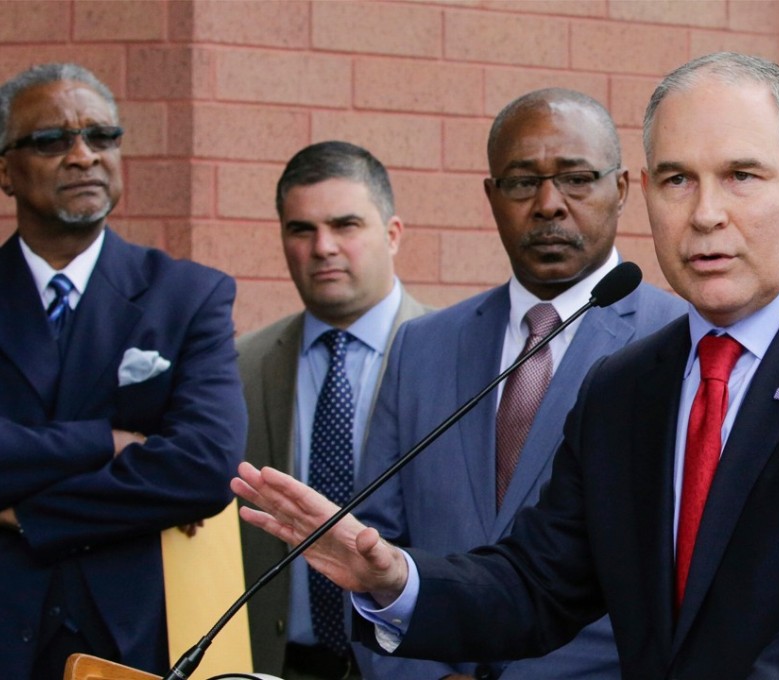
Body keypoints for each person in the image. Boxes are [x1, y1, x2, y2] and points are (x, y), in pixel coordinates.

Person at [232, 52, 779, 680]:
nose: (706, 213)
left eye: (742, 176)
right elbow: (534, 583)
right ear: (646, 194)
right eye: (678, 180)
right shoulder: (628, 385)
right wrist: (395, 579)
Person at [352, 88, 687, 680]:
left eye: (577, 179)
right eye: (521, 182)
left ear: (622, 190)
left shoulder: (678, 342)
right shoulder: (422, 346)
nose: (549, 204)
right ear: (491, 196)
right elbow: (369, 543)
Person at [0, 63, 246, 680]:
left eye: (102, 136)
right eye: (52, 141)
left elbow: (203, 467)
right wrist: (103, 442)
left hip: (128, 639)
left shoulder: (187, 295)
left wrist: (25, 514)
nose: (83, 156)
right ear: (5, 170)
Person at [237, 140, 430, 680]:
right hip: (280, 664)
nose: (323, 247)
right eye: (302, 229)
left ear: (392, 235)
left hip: (415, 665)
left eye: (346, 225)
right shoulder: (240, 365)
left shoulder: (462, 358)